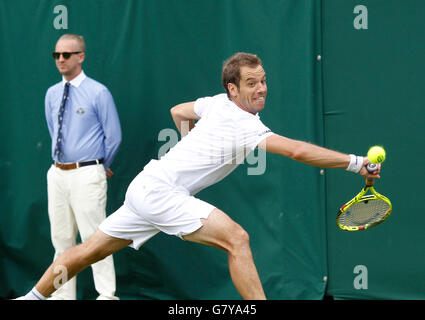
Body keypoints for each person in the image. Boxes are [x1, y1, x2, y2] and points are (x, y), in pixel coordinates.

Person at [19, 52, 379, 300]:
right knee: (237, 239)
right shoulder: (241, 123)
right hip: (161, 193)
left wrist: (191, 142)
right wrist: (355, 162)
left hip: (145, 187)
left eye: (264, 81)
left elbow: (179, 111)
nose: (262, 89)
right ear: (233, 89)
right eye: (252, 83)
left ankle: (32, 296)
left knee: (85, 252)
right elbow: (298, 152)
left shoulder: (215, 103)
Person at [43, 34, 122, 300]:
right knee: (62, 239)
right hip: (57, 173)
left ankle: (106, 295)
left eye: (67, 54)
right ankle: (63, 296)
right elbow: (53, 130)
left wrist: (101, 165)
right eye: (57, 55)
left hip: (87, 172)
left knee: (95, 238)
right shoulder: (52, 94)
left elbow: (113, 136)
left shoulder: (98, 92)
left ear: (81, 56)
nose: (61, 60)